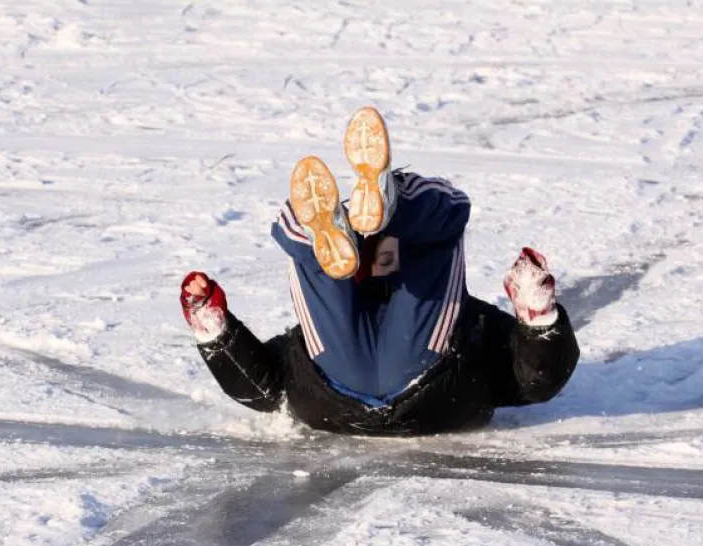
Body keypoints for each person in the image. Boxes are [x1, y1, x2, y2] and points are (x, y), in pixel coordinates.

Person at [179, 107, 579, 436]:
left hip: (333, 392)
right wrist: (539, 322)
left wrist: (217, 332)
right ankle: (389, 204)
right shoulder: (468, 319)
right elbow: (536, 384)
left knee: (324, 274)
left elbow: (263, 392)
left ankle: (325, 232)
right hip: (432, 392)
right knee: (441, 234)